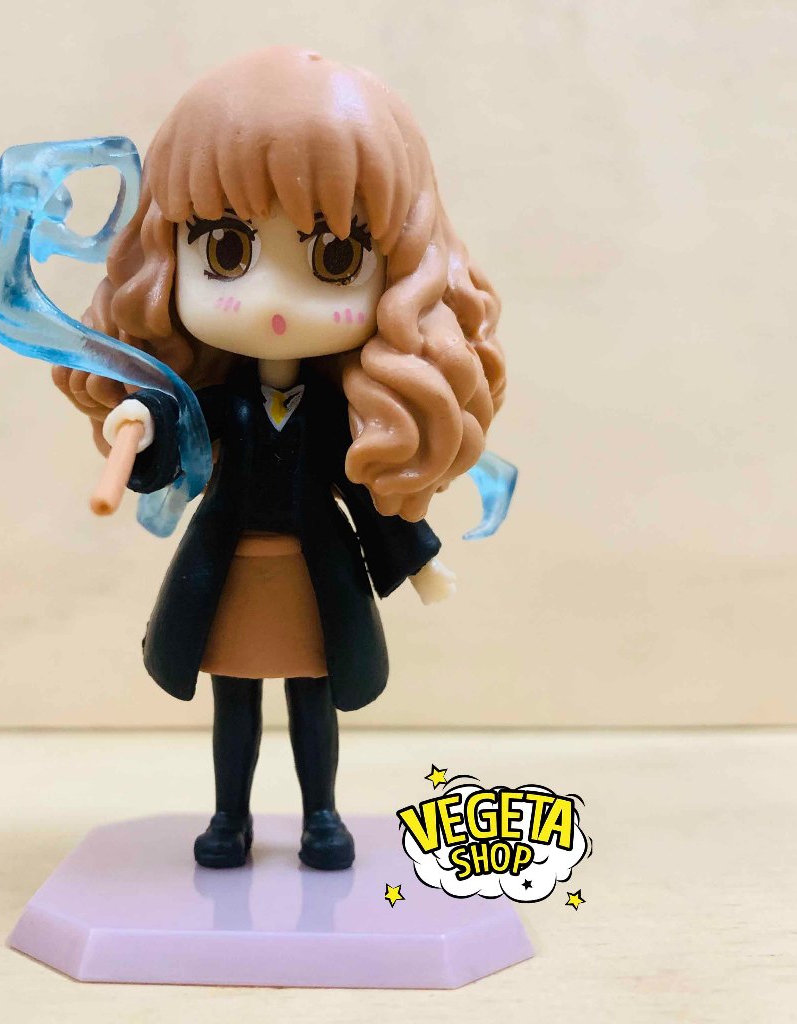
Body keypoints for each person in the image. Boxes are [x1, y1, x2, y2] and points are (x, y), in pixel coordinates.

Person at [51, 46, 506, 870]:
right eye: (226, 250)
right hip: (225, 572)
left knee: (311, 701)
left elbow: (364, 490)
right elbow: (168, 442)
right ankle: (229, 817)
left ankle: (320, 816)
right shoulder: (220, 404)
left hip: (314, 576)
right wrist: (142, 418)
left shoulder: (336, 415)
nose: (274, 302)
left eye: (334, 258)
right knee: (233, 702)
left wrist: (417, 558)